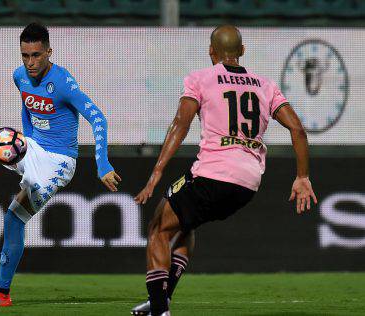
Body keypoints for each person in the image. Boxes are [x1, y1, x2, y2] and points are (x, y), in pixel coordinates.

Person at [131, 25, 317, 316]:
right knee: (186, 226)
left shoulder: (200, 79)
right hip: (248, 181)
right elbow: (298, 129)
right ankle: (162, 301)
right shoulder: (265, 85)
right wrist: (302, 176)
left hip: (212, 173)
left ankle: (158, 310)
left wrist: (155, 174)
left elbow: (180, 124)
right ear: (242, 51)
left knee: (158, 228)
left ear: (211, 51)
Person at [0, 22, 121, 308]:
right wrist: (28, 139)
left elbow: (98, 118)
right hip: (33, 148)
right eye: (25, 55)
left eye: (36, 55)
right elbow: (27, 106)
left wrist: (102, 164)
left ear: (49, 51)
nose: (30, 62)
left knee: (14, 218)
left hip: (58, 162)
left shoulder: (63, 82)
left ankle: (1, 293)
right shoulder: (19, 76)